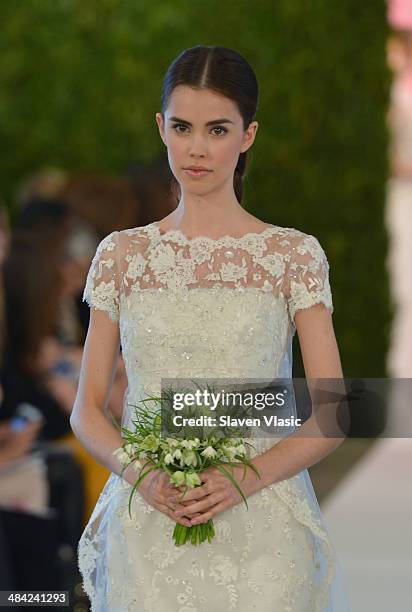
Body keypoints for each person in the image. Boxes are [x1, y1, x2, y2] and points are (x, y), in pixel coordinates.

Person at [71, 45, 351, 611]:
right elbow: (86, 409)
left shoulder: (290, 256)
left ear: (248, 135)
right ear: (161, 128)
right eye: (183, 127)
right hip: (150, 522)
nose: (197, 148)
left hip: (264, 524)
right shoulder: (123, 256)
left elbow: (334, 411)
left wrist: (244, 479)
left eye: (217, 129)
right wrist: (144, 475)